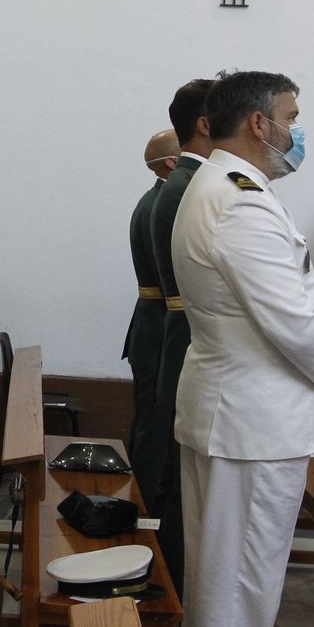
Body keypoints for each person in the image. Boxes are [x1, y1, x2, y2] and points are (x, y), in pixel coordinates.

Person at [171, 71, 314, 627]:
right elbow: (297, 323)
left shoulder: (224, 188)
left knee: (230, 573)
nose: (295, 130)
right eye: (290, 116)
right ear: (259, 123)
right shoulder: (239, 202)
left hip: (241, 413)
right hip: (253, 420)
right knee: (240, 579)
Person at [146, 78, 214, 598]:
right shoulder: (190, 185)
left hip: (179, 330)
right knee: (176, 474)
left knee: (174, 467)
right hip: (188, 335)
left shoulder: (188, 182)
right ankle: (172, 592)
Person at [123, 129, 178, 486]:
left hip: (152, 323)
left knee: (152, 424)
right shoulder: (165, 205)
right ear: (172, 162)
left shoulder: (152, 199)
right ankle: (147, 501)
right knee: (156, 429)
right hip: (161, 328)